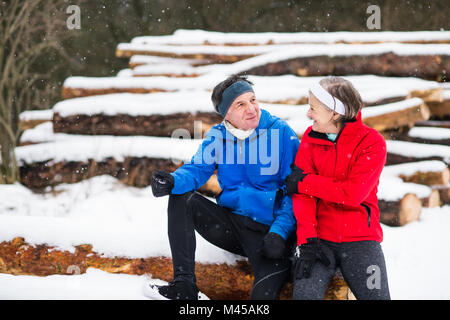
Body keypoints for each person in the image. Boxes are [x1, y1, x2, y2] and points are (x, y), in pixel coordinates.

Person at [147, 74, 300, 300]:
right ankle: (184, 286)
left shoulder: (281, 132)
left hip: (270, 236)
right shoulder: (218, 136)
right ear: (226, 113)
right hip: (233, 226)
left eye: (253, 100)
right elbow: (198, 168)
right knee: (181, 197)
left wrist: (279, 233)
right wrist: (173, 181)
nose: (251, 109)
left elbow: (294, 192)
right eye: (241, 104)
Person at [285, 76, 391, 300]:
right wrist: (307, 240)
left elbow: (352, 194)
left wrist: (306, 183)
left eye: (313, 108)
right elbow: (302, 198)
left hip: (362, 242)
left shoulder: (372, 143)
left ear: (335, 113)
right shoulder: (310, 139)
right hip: (319, 241)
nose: (308, 113)